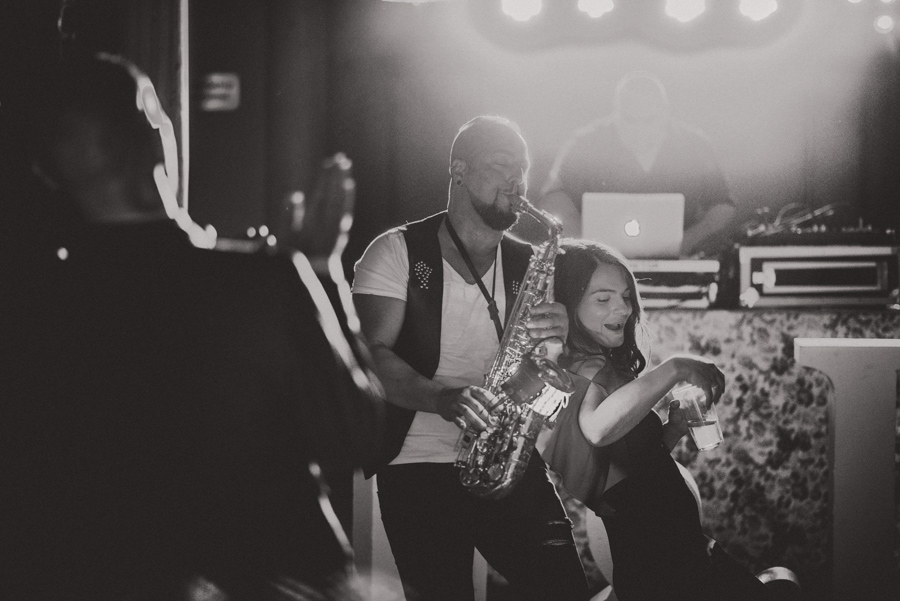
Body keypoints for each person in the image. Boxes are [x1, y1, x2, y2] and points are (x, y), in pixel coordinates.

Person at [1, 54, 384, 600]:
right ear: (158, 141)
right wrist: (322, 272)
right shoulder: (260, 284)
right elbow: (360, 435)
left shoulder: (32, 314)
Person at [352, 115, 591, 601]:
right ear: (457, 170)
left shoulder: (531, 262)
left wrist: (555, 348)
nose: (516, 181)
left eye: (522, 168)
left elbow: (544, 387)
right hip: (416, 462)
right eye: (500, 165)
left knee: (565, 590)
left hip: (505, 460)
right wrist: (443, 399)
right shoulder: (398, 251)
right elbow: (369, 357)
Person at [543, 239, 797, 601]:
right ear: (568, 306)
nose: (622, 308)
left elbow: (629, 471)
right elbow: (597, 429)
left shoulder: (605, 365)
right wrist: (676, 367)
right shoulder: (586, 367)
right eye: (603, 299)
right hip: (660, 560)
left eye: (626, 296)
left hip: (678, 551)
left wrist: (672, 431)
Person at [541, 71, 736, 256]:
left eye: (649, 120)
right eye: (630, 120)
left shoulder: (696, 147)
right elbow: (553, 198)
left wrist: (686, 242)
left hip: (678, 268)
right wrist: (587, 244)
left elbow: (723, 205)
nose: (640, 129)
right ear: (616, 112)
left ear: (666, 112)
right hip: (597, 266)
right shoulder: (585, 145)